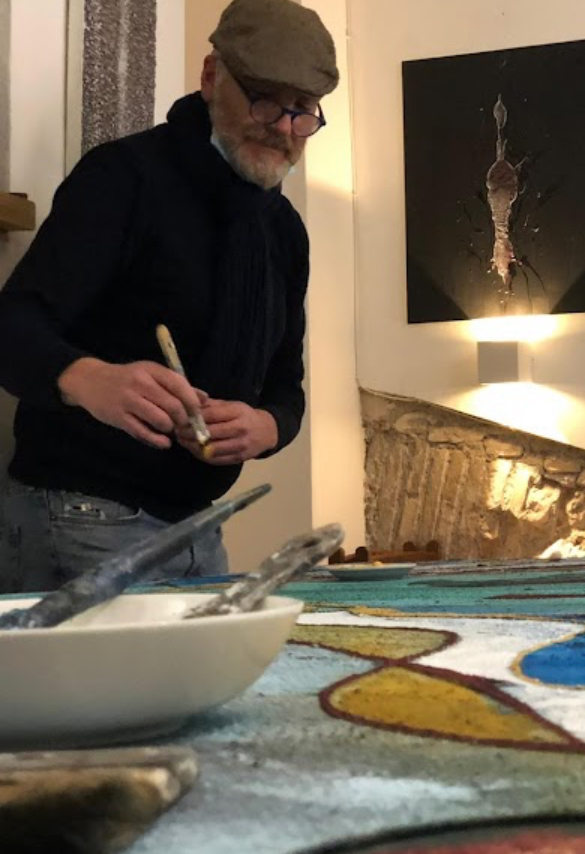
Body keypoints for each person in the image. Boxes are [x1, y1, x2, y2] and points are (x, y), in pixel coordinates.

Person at [0, 0, 338, 593]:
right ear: (211, 77)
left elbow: (287, 387)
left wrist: (264, 427)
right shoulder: (123, 178)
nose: (284, 129)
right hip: (80, 516)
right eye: (264, 100)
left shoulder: (283, 231)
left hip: (200, 526)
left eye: (303, 111)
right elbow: (12, 325)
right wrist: (87, 379)